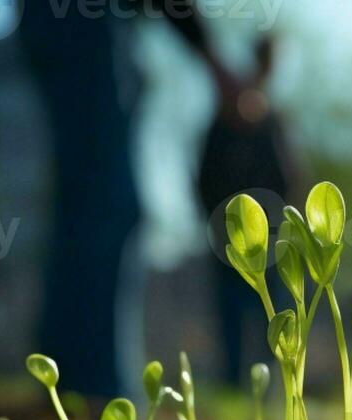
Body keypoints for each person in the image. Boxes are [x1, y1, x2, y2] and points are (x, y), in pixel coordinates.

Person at [20, 0, 249, 398]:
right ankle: (95, 386)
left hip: (78, 25)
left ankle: (71, 379)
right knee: (107, 204)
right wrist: (211, 56)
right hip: (81, 24)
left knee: (86, 202)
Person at [195, 37, 296, 386]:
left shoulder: (272, 122)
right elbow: (204, 179)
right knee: (233, 318)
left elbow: (288, 179)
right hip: (228, 242)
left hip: (271, 241)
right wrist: (217, 225)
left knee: (276, 318)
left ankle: (274, 389)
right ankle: (235, 386)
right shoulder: (223, 120)